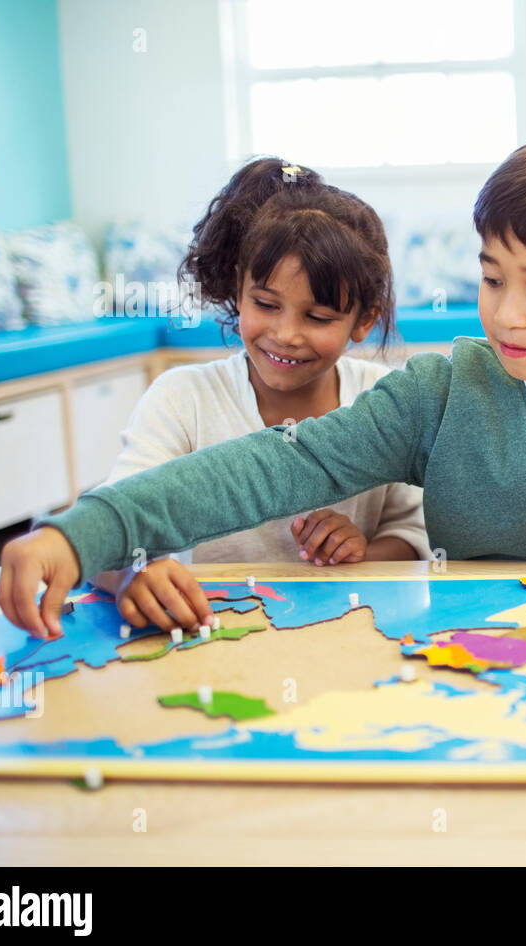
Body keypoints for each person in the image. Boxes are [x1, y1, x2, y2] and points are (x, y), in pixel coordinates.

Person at [0, 126, 526, 639]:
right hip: (481, 665)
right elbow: (270, 467)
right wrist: (82, 535)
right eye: (490, 276)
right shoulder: (438, 390)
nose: (505, 314)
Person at [86, 158, 430, 633]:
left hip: (345, 634)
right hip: (214, 636)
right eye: (266, 305)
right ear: (238, 290)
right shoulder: (183, 398)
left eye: (318, 317)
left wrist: (365, 552)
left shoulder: (386, 399)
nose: (286, 334)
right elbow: (110, 524)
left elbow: (414, 535)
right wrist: (131, 572)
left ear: (365, 320)